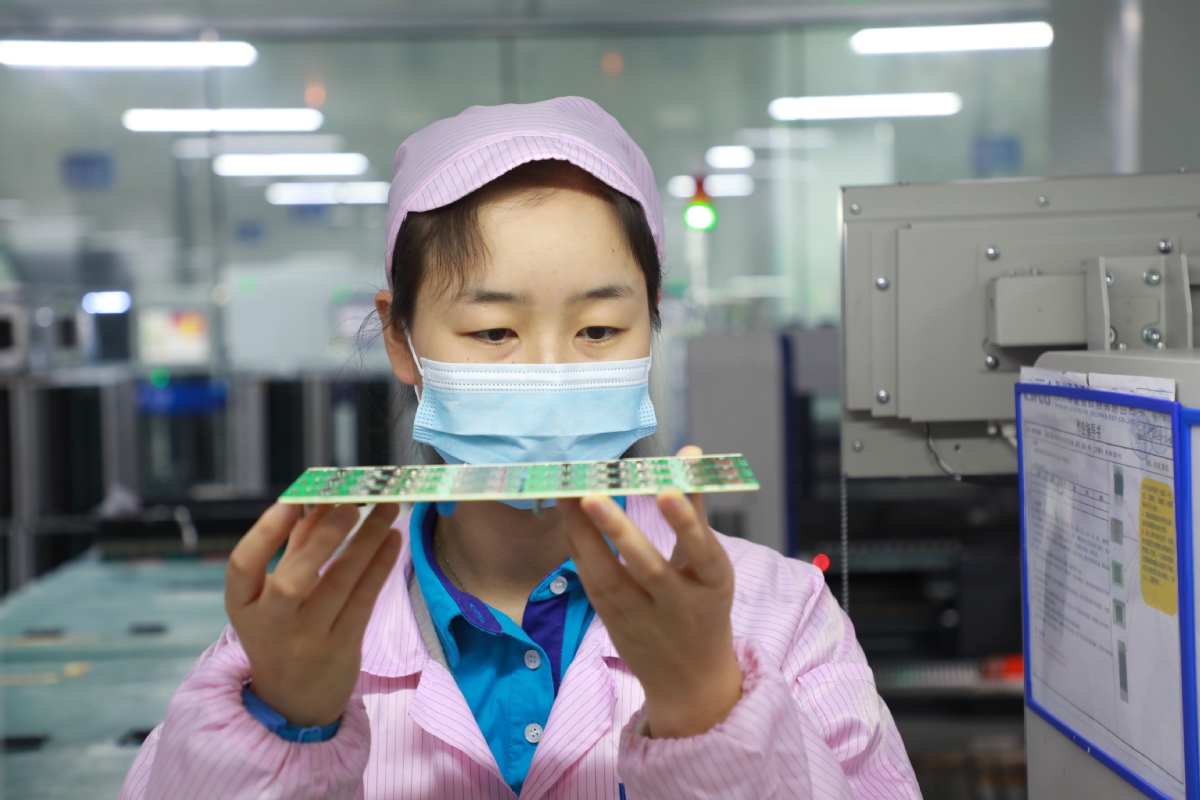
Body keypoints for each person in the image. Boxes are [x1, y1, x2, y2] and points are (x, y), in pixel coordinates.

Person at [119, 96, 920, 800]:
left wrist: (706, 706)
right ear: (400, 338)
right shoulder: (304, 624)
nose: (548, 371)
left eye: (599, 329)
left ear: (652, 321)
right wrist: (283, 722)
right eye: (493, 331)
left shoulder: (778, 615)